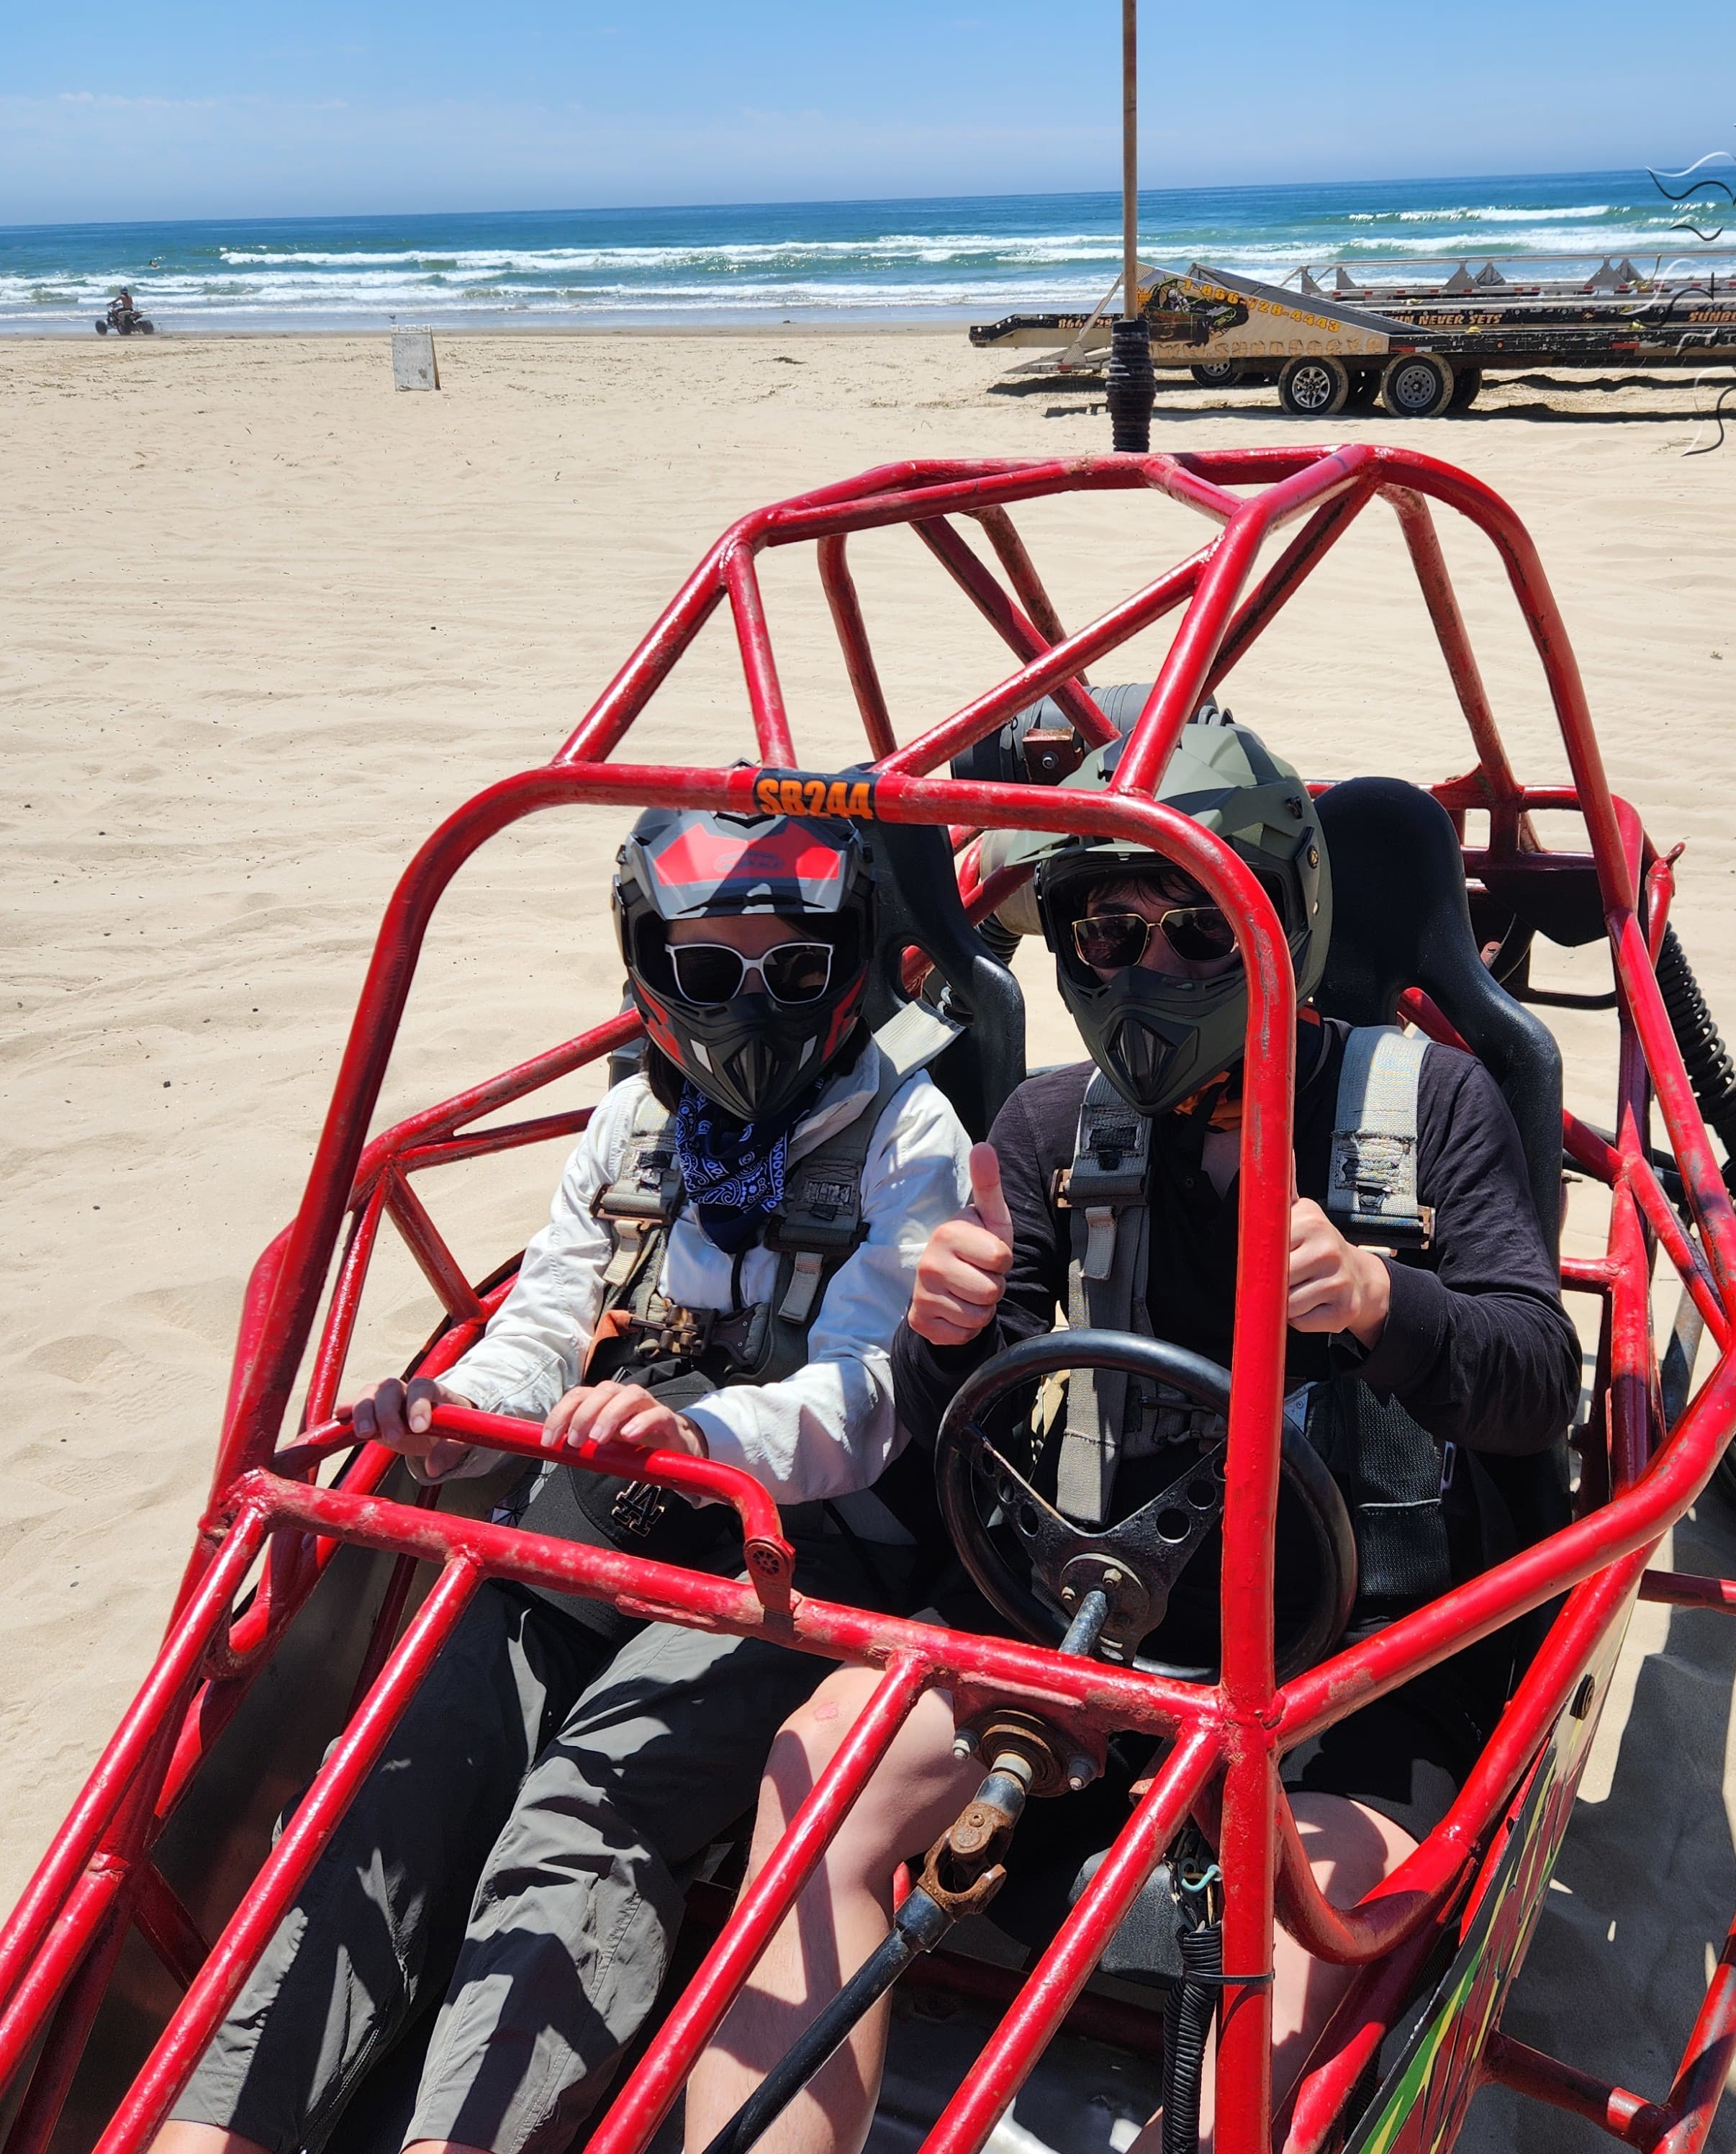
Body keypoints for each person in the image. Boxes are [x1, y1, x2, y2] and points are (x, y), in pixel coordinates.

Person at [682, 722, 1581, 2154]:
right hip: (1091, 1616)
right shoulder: (1050, 1124)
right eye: (1100, 932)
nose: (1138, 973)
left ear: (1282, 916)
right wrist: (953, 1322)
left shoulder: (1426, 1103)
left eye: (1186, 928)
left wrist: (1382, 1298)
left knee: (1277, 1987)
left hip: (1352, 1667)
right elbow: (946, 1424)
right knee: (817, 1783)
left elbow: (1542, 1384)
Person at [154, 804, 970, 2154]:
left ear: (854, 967)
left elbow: (869, 1397)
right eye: (709, 970)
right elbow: (536, 1340)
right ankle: (216, 2129)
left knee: (586, 1807)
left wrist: (701, 1438)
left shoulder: (909, 1131)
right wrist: (450, 1414)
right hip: (595, 1526)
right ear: (651, 967)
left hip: (797, 1562)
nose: (749, 1003)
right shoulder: (633, 1126)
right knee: (398, 1772)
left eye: (791, 968)